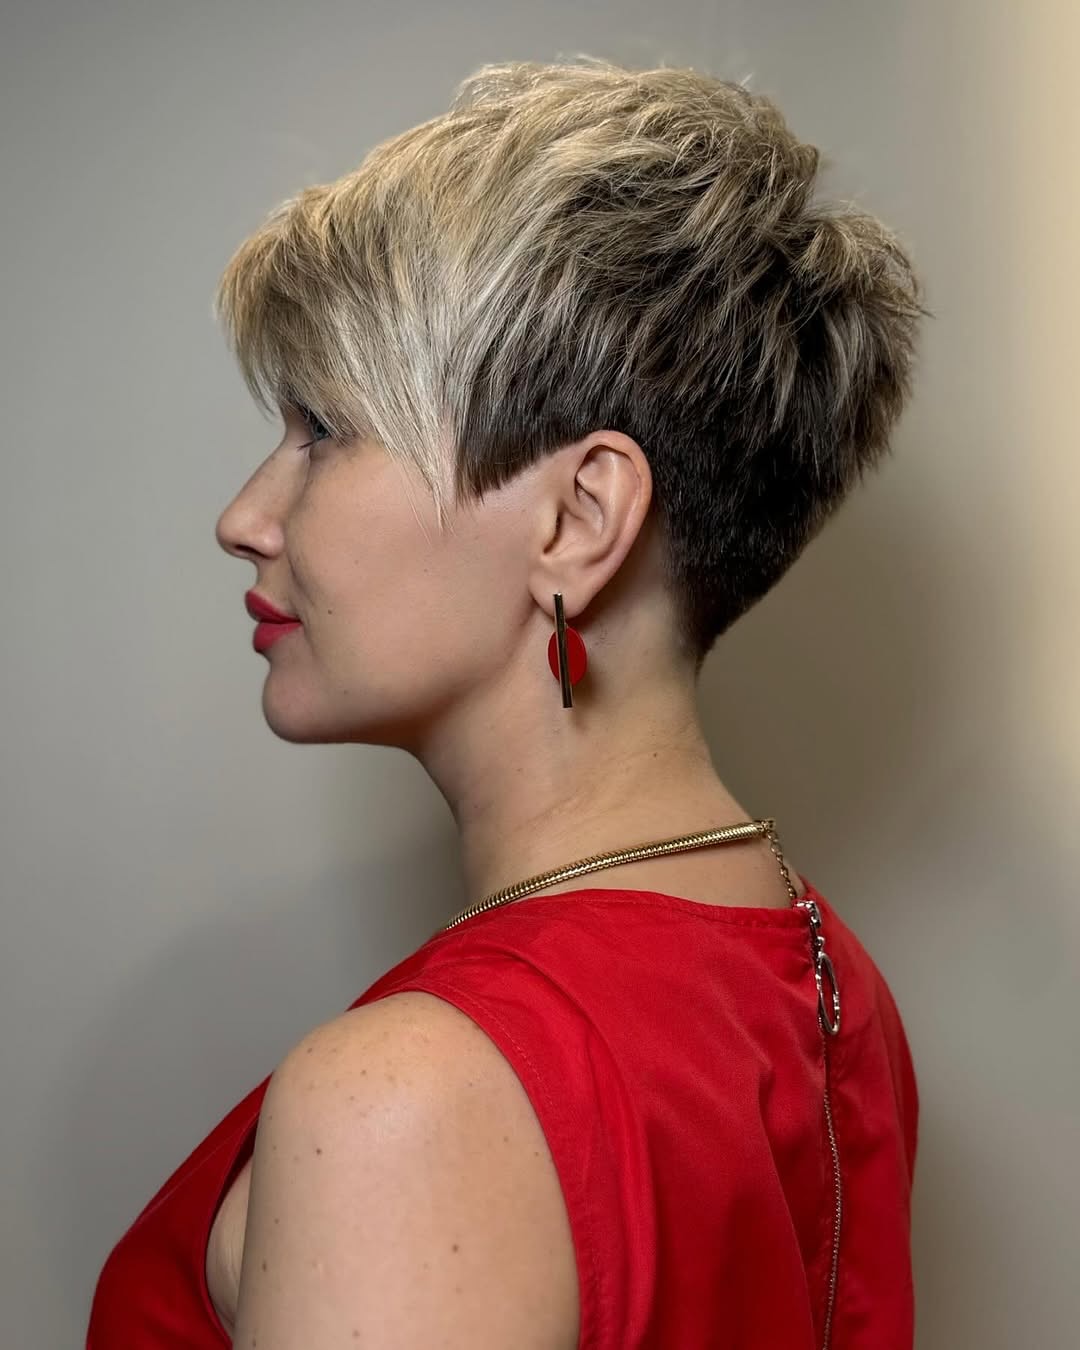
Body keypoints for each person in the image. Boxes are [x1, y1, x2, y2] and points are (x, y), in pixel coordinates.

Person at [88, 55, 922, 1349]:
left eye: (322, 427)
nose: (245, 516)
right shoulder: (823, 972)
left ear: (580, 517)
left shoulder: (401, 1104)